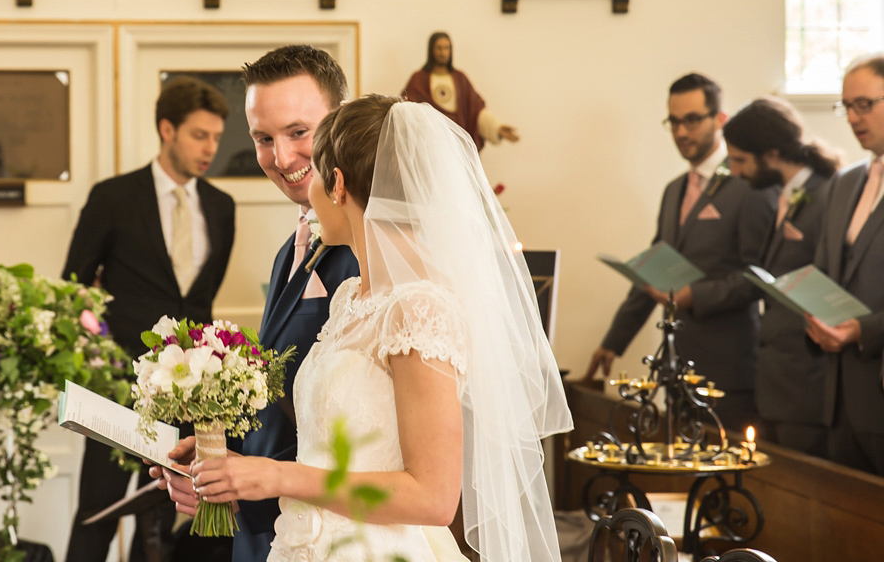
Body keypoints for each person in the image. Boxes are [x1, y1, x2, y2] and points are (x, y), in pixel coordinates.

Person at [185, 96, 570, 561]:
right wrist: (237, 469)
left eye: (317, 178)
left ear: (339, 185)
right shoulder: (351, 297)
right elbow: (327, 451)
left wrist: (278, 476)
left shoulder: (419, 308)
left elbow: (433, 496)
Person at [152, 46, 360, 562]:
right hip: (268, 535)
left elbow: (366, 432)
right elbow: (286, 405)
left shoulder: (369, 256)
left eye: (298, 132)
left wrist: (250, 480)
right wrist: (216, 462)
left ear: (339, 123)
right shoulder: (288, 252)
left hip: (333, 537)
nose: (281, 157)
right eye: (263, 139)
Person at [62, 76, 237, 562]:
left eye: (217, 138)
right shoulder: (113, 197)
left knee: (165, 514)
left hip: (191, 392)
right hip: (118, 388)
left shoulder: (223, 208)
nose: (210, 149)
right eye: (199, 135)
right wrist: (100, 360)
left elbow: (198, 303)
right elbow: (74, 286)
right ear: (167, 129)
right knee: (98, 511)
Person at [585, 74, 777, 433]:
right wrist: (614, 341)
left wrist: (694, 296)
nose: (681, 131)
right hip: (677, 364)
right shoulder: (675, 191)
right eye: (673, 121)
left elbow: (760, 276)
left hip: (730, 369)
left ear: (720, 120)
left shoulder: (749, 184)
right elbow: (654, 270)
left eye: (692, 120)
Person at [723, 97, 840, 456]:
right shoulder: (788, 197)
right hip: (778, 384)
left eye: (741, 160)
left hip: (807, 385)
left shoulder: (826, 195)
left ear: (771, 153)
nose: (737, 172)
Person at [809, 54, 884, 475]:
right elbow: (825, 271)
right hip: (838, 395)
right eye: (846, 106)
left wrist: (862, 329)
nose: (853, 117)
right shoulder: (846, 181)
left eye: (864, 104)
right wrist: (813, 311)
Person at [401, 33, 519, 151]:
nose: (443, 52)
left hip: (457, 143)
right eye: (439, 48)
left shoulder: (460, 79)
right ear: (431, 50)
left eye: (447, 48)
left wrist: (496, 128)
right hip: (430, 144)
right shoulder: (419, 79)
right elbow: (407, 109)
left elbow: (476, 110)